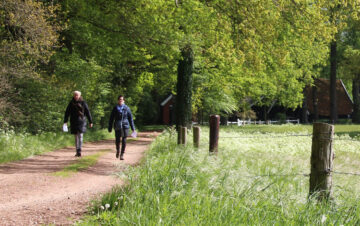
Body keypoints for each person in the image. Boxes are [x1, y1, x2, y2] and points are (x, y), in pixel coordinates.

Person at [64, 91, 93, 157]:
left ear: (80, 95)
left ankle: (79, 150)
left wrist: (90, 121)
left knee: (80, 136)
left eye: (77, 95)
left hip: (81, 121)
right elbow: (67, 112)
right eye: (75, 95)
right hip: (73, 121)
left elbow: (88, 112)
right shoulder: (71, 103)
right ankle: (77, 150)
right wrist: (65, 121)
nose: (76, 96)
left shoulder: (83, 103)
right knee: (76, 137)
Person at [108, 95, 135, 160]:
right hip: (117, 125)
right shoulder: (115, 108)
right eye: (119, 99)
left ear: (124, 101)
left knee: (124, 140)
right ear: (118, 100)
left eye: (122, 99)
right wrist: (110, 127)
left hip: (125, 125)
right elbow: (111, 118)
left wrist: (133, 128)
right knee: (117, 139)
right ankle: (118, 150)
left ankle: (122, 154)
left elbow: (130, 118)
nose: (120, 100)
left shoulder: (127, 108)